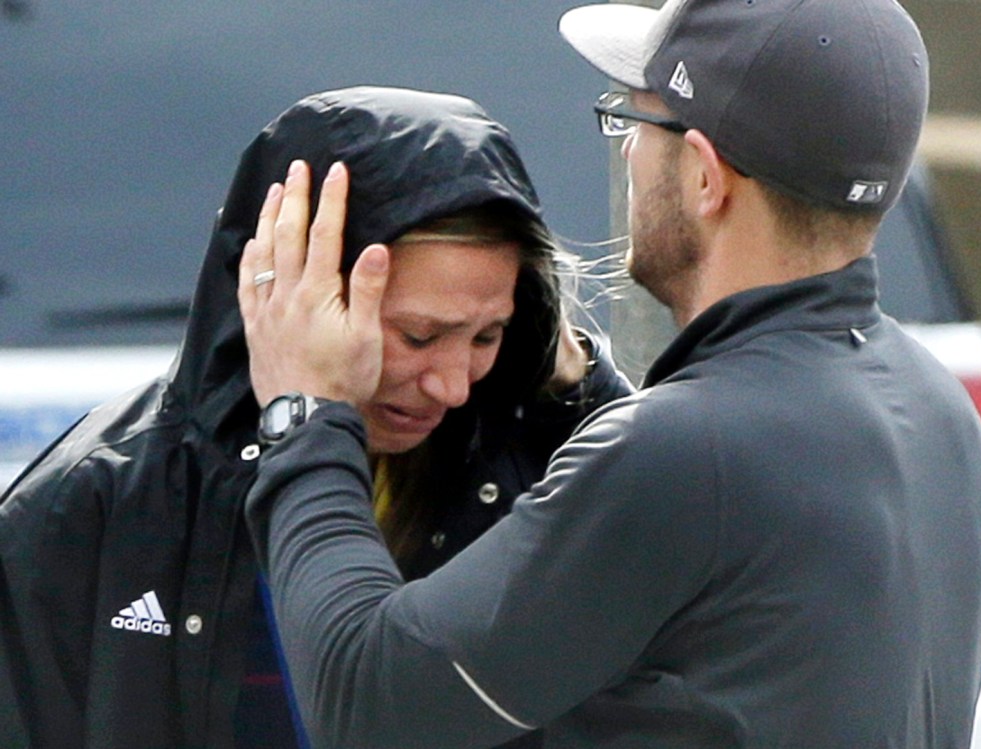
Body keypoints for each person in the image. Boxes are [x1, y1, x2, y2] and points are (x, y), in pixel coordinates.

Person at [239, 1, 981, 748]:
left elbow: (367, 699)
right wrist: (584, 394)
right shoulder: (940, 410)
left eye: (633, 121)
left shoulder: (689, 450)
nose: (627, 152)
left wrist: (306, 409)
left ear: (704, 176)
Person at [0, 86, 631, 748]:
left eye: (486, 335)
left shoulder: (544, 471)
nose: (450, 386)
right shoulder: (93, 504)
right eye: (416, 336)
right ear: (285, 290)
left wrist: (580, 395)